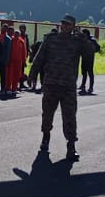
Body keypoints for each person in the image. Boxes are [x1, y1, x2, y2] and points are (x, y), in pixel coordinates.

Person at [28, 14, 86, 161]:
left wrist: (83, 38)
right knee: (47, 115)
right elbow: (39, 58)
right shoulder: (50, 39)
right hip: (51, 84)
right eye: (63, 23)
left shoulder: (77, 42)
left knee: (70, 118)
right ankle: (45, 139)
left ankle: (71, 146)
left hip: (68, 87)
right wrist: (32, 74)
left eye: (68, 24)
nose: (64, 26)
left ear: (73, 26)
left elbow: (92, 51)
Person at [79, 28, 101, 94]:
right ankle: (83, 86)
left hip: (90, 58)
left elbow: (97, 48)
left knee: (90, 73)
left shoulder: (92, 40)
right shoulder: (82, 40)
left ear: (86, 34)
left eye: (83, 34)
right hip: (84, 58)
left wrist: (91, 51)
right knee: (84, 73)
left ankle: (91, 87)